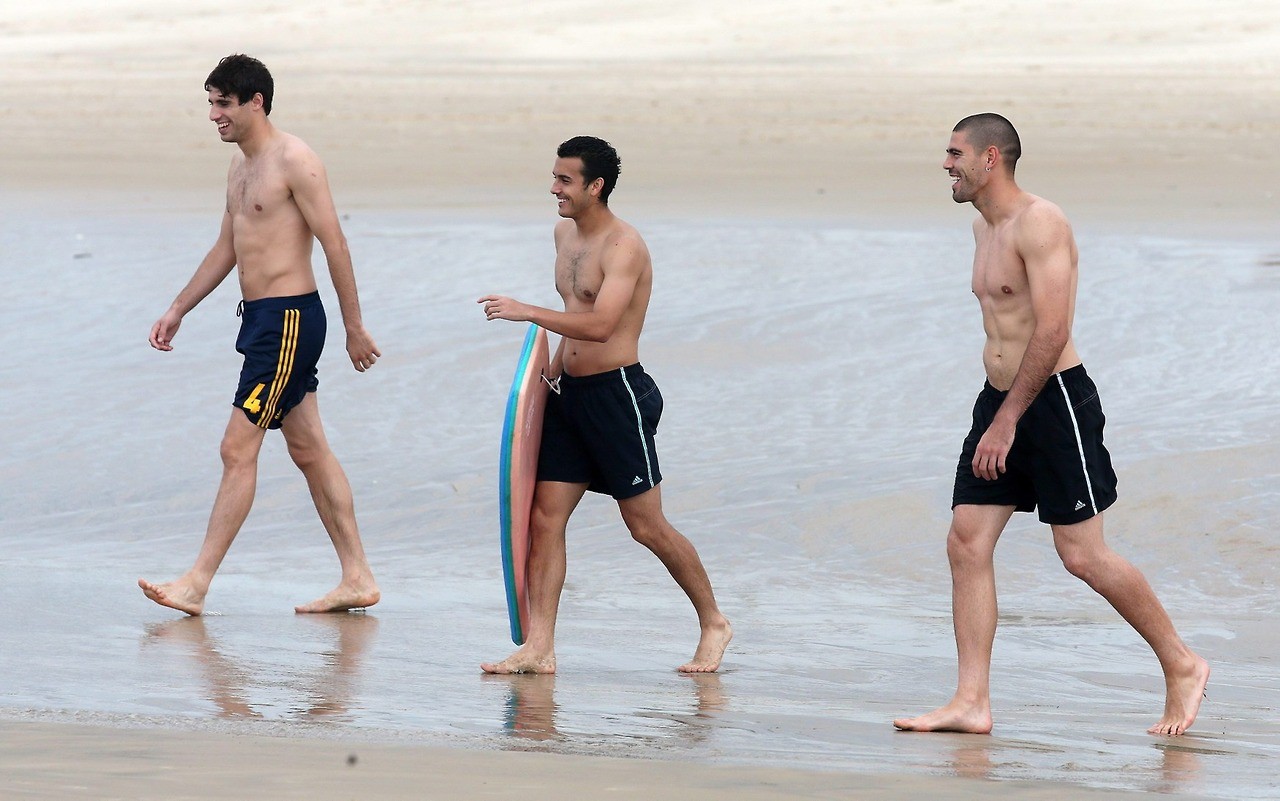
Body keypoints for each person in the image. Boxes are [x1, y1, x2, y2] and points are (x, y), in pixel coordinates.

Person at [893, 114, 1209, 736]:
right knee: (967, 540)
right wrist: (999, 412)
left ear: (990, 158)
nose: (946, 164)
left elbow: (1053, 328)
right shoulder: (983, 227)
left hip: (1054, 402)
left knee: (1082, 555)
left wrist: (1008, 420)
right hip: (1000, 400)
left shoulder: (1041, 222)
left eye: (955, 153)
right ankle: (971, 702)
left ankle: (1182, 663)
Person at [477, 136, 732, 674]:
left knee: (645, 525)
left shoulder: (625, 246)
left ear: (596, 186)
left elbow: (599, 325)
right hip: (569, 394)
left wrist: (527, 311)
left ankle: (714, 622)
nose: (554, 188)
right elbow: (574, 312)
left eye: (565, 180)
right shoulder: (563, 234)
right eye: (554, 177)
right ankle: (540, 648)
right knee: (545, 518)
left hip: (617, 397)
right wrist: (549, 370)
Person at [138, 54, 381, 616]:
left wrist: (354, 327)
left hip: (290, 322)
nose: (213, 115)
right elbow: (228, 247)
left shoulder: (296, 161)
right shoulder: (240, 167)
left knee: (236, 447)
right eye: (210, 103)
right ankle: (358, 576)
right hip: (262, 322)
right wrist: (178, 308)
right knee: (309, 448)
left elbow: (335, 243)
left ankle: (197, 582)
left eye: (223, 103)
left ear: (256, 102)